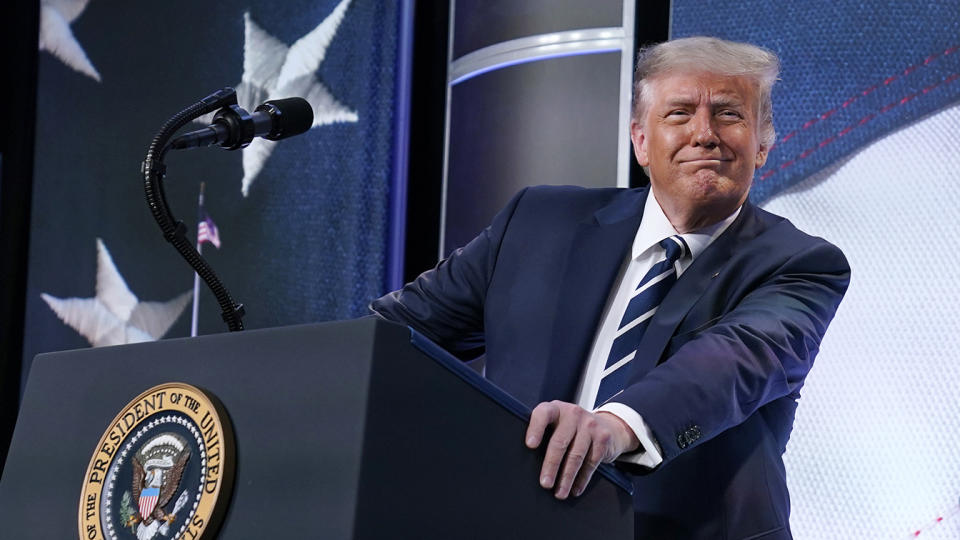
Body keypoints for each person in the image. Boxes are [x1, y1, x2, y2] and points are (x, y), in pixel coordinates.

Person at [371, 36, 850, 540]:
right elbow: (391, 337)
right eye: (679, 113)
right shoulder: (537, 223)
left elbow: (732, 362)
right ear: (641, 140)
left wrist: (615, 426)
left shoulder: (802, 263)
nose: (704, 134)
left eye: (729, 115)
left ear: (762, 146)